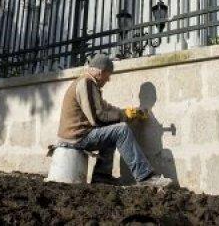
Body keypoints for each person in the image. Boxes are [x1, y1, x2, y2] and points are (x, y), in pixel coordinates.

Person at [57, 54, 175, 187]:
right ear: (101, 72)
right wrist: (123, 117)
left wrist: (126, 112)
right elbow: (98, 117)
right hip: (77, 137)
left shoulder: (88, 83)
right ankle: (145, 176)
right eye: (108, 75)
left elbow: (104, 108)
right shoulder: (86, 84)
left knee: (112, 127)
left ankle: (101, 176)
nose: (108, 80)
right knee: (121, 130)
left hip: (76, 135)